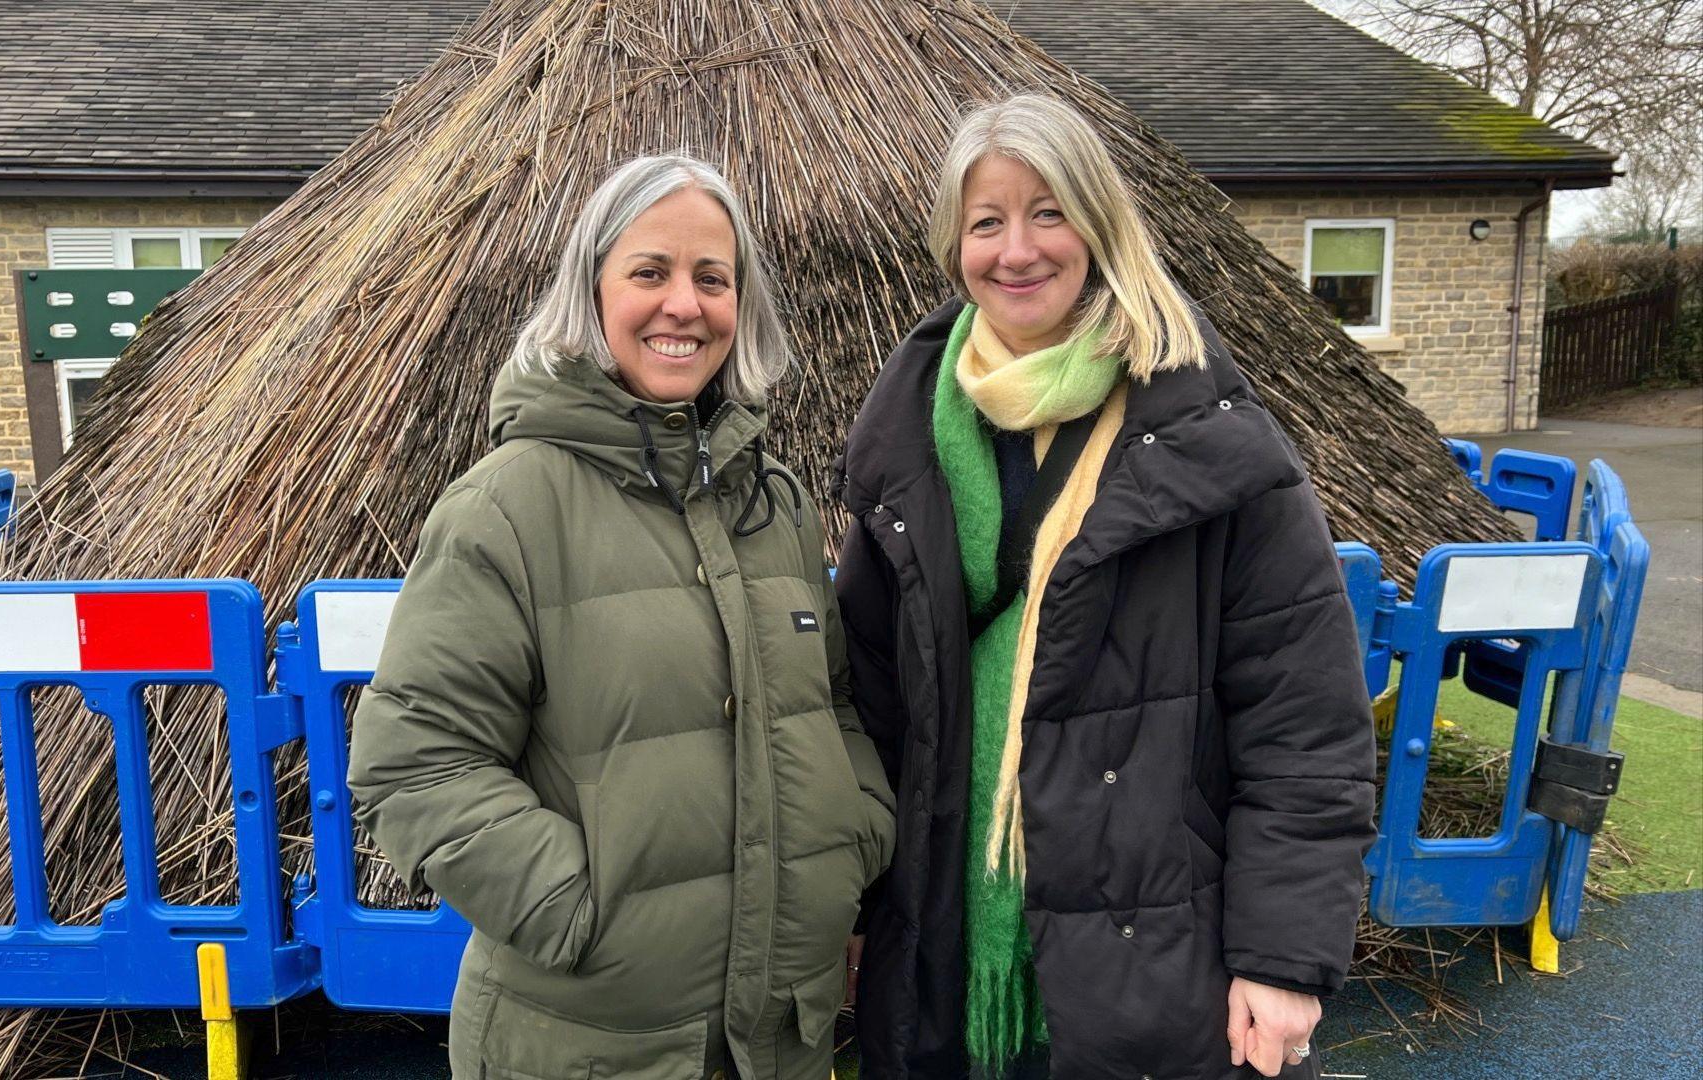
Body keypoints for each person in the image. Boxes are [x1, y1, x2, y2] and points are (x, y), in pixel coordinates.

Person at [835, 95, 1376, 1080]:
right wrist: (859, 912)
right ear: (953, 242)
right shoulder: (907, 437)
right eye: (985, 221)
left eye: (1049, 211)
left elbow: (1304, 725)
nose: (1017, 249)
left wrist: (1282, 958)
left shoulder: (1210, 435)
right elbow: (866, 714)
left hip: (1153, 960)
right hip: (943, 956)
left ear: (1100, 221)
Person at [347, 154, 896, 1080]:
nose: (684, 305)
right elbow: (414, 764)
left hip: (776, 1044)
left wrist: (852, 843)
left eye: (712, 279)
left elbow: (831, 707)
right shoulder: (506, 509)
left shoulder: (780, 505)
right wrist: (578, 906)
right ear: (591, 291)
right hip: (586, 1048)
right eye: (650, 272)